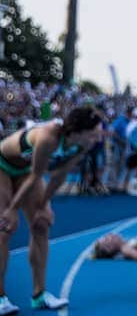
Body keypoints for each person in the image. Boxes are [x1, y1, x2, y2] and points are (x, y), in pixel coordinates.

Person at [0, 105, 106, 314]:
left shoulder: (82, 145)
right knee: (6, 228)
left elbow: (59, 176)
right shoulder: (49, 137)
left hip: (26, 171)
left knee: (42, 223)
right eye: (94, 134)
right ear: (78, 131)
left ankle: (39, 295)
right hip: (3, 165)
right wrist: (12, 209)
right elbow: (36, 177)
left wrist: (42, 206)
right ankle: (1, 297)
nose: (98, 138)